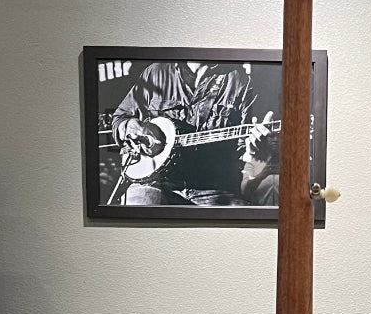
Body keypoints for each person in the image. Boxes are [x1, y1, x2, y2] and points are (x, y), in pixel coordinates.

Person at [109, 60, 278, 206]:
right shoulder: (156, 73)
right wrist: (129, 125)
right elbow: (120, 118)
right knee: (140, 209)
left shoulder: (241, 81)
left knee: (238, 226)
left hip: (214, 189)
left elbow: (247, 156)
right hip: (154, 182)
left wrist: (256, 154)